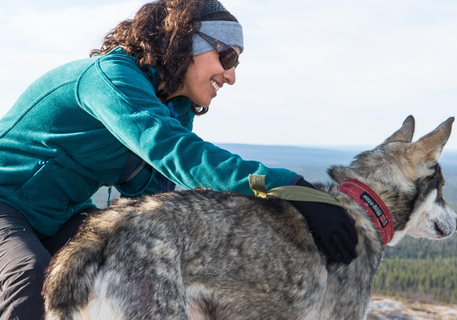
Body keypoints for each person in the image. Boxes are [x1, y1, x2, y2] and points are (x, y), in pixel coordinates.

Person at [0, 0, 358, 318]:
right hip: (5, 206)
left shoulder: (172, 107)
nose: (231, 76)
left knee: (129, 260)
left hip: (56, 217)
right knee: (30, 279)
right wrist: (289, 187)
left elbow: (163, 190)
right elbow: (180, 154)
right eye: (227, 57)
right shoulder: (109, 79)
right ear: (186, 42)